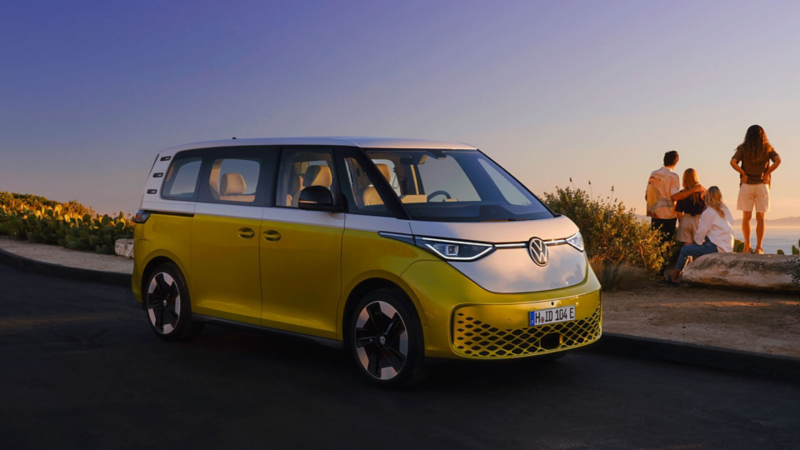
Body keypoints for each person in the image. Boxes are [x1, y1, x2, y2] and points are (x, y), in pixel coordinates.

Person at [646, 151, 704, 272]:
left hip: (655, 214)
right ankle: (662, 272)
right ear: (676, 162)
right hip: (668, 215)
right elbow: (675, 197)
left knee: (655, 244)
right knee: (666, 244)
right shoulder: (673, 176)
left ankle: (655, 271)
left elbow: (647, 196)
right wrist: (694, 190)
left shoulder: (653, 174)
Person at [730, 125, 781, 254]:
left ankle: (747, 247)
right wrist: (767, 174)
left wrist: (744, 174)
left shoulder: (743, 148)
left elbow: (733, 162)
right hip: (762, 186)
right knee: (761, 217)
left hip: (746, 185)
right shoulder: (767, 148)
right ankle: (759, 248)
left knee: (746, 217)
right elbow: (778, 160)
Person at [668, 186, 734, 283]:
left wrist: (697, 243)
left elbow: (701, 232)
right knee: (705, 240)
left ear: (706, 197)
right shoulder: (725, 209)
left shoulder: (708, 211)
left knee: (685, 250)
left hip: (716, 247)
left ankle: (674, 277)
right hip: (727, 246)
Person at [675, 168, 706, 245]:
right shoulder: (702, 193)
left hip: (686, 220)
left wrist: (681, 223)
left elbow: (679, 212)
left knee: (687, 248)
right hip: (698, 220)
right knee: (698, 248)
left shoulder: (682, 194)